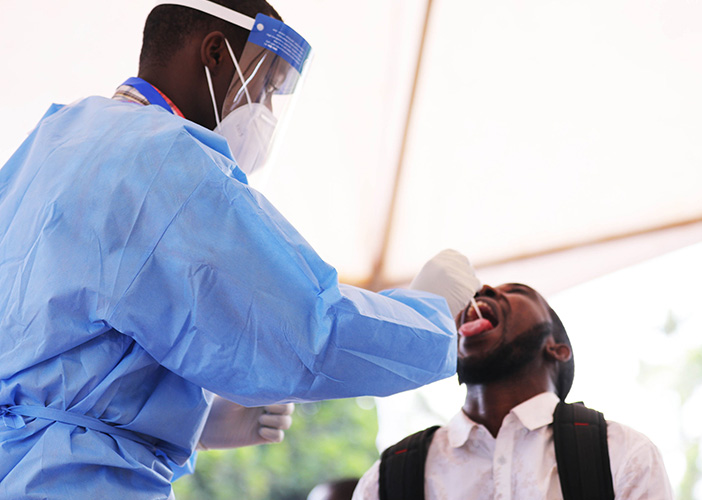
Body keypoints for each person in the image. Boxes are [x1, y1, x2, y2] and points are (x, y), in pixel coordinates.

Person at [0, 1, 479, 498]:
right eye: (266, 87)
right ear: (215, 53)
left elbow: (66, 343)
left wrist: (193, 417)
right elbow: (308, 333)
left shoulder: (54, 138)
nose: (265, 110)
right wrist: (436, 321)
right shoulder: (167, 159)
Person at [353, 283, 674, 500]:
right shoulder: (385, 480)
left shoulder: (621, 455)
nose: (482, 290)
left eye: (518, 291)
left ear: (557, 349)